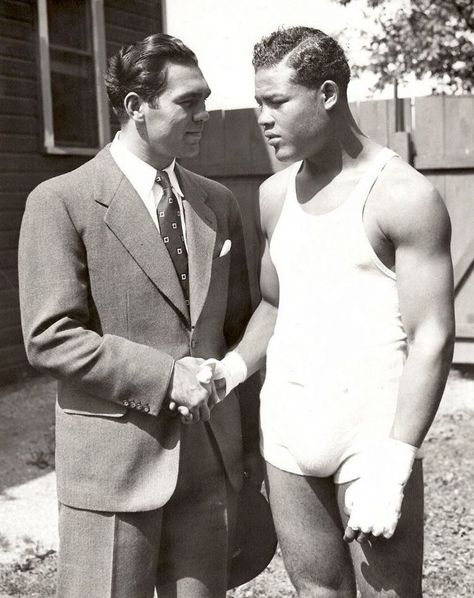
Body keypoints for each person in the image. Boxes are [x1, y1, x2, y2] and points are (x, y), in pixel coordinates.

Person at [206, 26, 455, 598]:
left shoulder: (401, 195)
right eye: (257, 104)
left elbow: (433, 337)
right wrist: (232, 370)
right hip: (290, 430)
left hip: (371, 436)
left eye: (276, 102)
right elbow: (274, 303)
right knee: (316, 591)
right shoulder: (273, 195)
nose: (263, 120)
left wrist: (396, 462)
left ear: (327, 93)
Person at [18, 33, 261, 598]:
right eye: (188, 101)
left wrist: (248, 451)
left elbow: (240, 331)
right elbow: (50, 336)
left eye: (205, 98)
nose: (205, 113)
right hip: (111, 471)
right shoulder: (61, 201)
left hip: (207, 466)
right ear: (135, 106)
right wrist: (163, 376)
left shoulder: (217, 203)